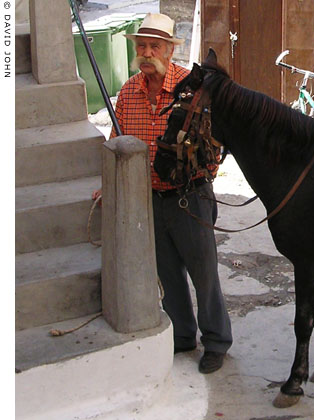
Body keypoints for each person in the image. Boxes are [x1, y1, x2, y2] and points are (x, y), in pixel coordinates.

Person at [93, 13, 233, 374]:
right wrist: (108, 186)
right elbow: (116, 143)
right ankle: (183, 336)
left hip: (190, 198)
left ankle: (216, 341)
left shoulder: (192, 88)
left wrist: (202, 179)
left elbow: (215, 144)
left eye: (155, 45)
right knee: (168, 274)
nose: (146, 52)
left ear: (170, 50)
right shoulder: (128, 92)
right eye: (141, 45)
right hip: (150, 201)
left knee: (204, 274)